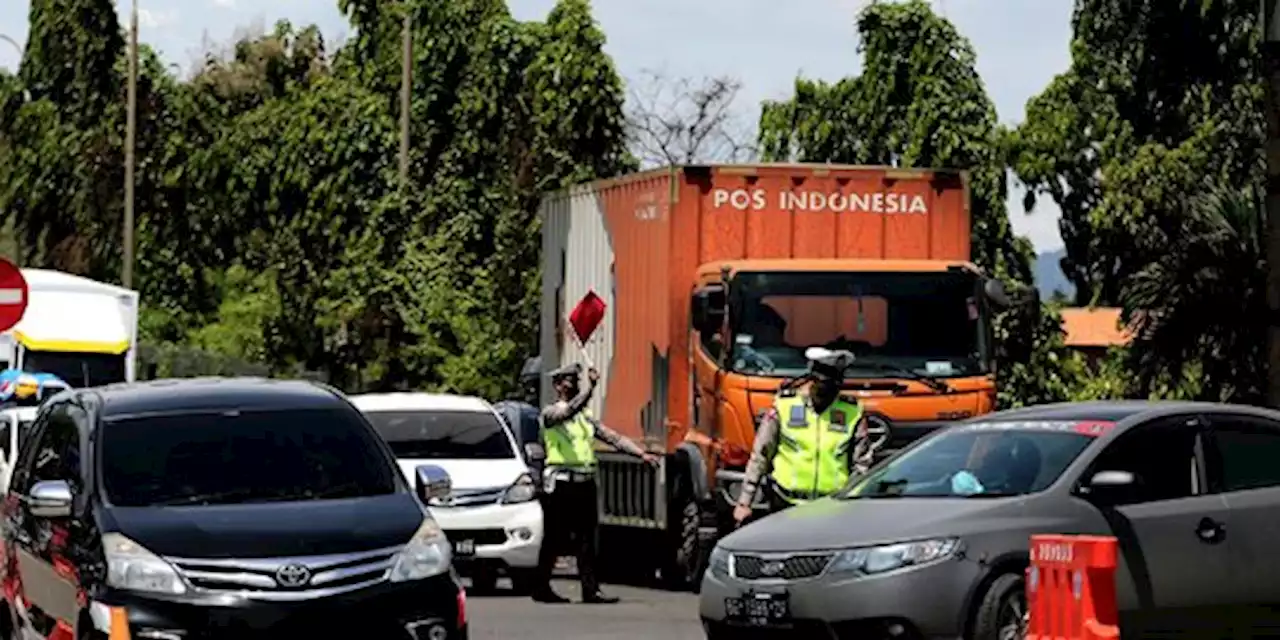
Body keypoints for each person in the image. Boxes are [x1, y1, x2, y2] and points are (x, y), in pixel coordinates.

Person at [531, 362, 659, 604]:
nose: (572, 384)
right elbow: (568, 411)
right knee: (554, 538)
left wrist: (640, 453)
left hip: (584, 482)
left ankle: (590, 590)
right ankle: (541, 587)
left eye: (575, 381)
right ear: (557, 386)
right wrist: (590, 390)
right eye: (568, 381)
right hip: (560, 483)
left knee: (587, 539)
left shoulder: (585, 418)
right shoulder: (550, 414)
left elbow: (613, 437)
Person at [732, 348, 876, 525]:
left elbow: (862, 464)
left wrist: (853, 502)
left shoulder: (851, 412)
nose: (828, 391)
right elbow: (761, 455)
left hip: (833, 508)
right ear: (811, 379)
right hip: (785, 505)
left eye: (834, 385)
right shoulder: (785, 406)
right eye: (823, 384)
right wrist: (745, 502)